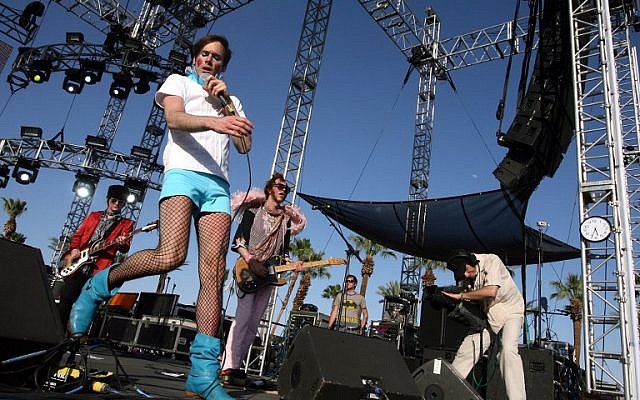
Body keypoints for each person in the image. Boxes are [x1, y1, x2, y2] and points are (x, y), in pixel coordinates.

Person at [68, 34, 254, 400]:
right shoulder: (178, 82)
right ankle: (98, 285)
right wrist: (213, 122)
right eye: (205, 54)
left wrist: (227, 109)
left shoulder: (231, 101)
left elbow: (244, 143)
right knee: (171, 255)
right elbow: (173, 119)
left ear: (223, 65)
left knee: (213, 273)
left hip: (218, 185)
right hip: (182, 175)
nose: (209, 61)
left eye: (217, 58)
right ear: (195, 57)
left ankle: (202, 374)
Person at [221, 173, 306, 382]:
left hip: (268, 275)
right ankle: (228, 364)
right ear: (270, 189)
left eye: (285, 188)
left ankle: (236, 365)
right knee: (242, 317)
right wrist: (251, 261)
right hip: (249, 268)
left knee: (254, 322)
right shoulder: (253, 211)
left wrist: (292, 264)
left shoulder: (285, 220)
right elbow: (239, 241)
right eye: (279, 186)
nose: (283, 190)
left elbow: (284, 252)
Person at [442, 250, 526, 400]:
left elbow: (491, 291)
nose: (466, 276)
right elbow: (473, 298)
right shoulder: (468, 277)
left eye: (467, 271)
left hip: (512, 312)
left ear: (472, 261)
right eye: (463, 275)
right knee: (467, 351)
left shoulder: (492, 260)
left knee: (507, 350)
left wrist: (462, 296)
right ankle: (446, 394)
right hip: (490, 317)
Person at [53, 185, 134, 327]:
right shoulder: (93, 216)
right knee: (66, 297)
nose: (117, 204)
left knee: (85, 305)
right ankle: (56, 333)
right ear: (108, 200)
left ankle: (74, 339)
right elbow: (78, 235)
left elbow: (125, 248)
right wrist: (74, 249)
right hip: (79, 265)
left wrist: (121, 243)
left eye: (121, 202)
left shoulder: (126, 224)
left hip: (98, 269)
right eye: (114, 200)